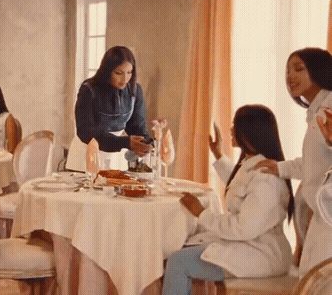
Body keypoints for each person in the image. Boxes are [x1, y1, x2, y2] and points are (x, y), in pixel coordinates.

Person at [162, 105, 294, 295]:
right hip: (251, 246)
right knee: (181, 247)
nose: (231, 130)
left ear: (249, 132)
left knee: (178, 262)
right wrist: (218, 154)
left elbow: (243, 227)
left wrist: (202, 213)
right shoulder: (254, 164)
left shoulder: (267, 178)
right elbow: (241, 185)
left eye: (235, 125)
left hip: (260, 255)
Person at [254, 47, 332, 277]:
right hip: (319, 214)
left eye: (299, 68)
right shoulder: (316, 111)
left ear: (320, 70)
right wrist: (280, 167)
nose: (291, 76)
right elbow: (312, 163)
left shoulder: (329, 108)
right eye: (288, 70)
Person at [74, 46, 152, 168]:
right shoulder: (89, 90)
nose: (125, 79)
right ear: (107, 71)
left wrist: (145, 142)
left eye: (129, 72)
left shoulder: (135, 91)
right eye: (118, 73)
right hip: (87, 153)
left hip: (116, 156)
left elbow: (137, 126)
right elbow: (85, 131)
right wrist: (125, 142)